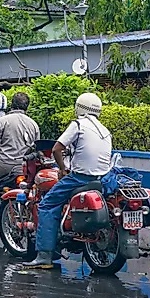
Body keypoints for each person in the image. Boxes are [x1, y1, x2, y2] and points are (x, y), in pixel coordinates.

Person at [30, 92, 112, 269]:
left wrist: (62, 169)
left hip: (79, 178)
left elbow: (56, 149)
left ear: (79, 108)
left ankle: (44, 255)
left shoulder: (78, 125)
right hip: (101, 179)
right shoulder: (105, 131)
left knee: (46, 205)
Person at [0, 93, 40, 213]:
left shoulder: (3, 121)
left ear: (12, 105)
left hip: (5, 164)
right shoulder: (33, 124)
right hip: (24, 166)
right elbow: (35, 147)